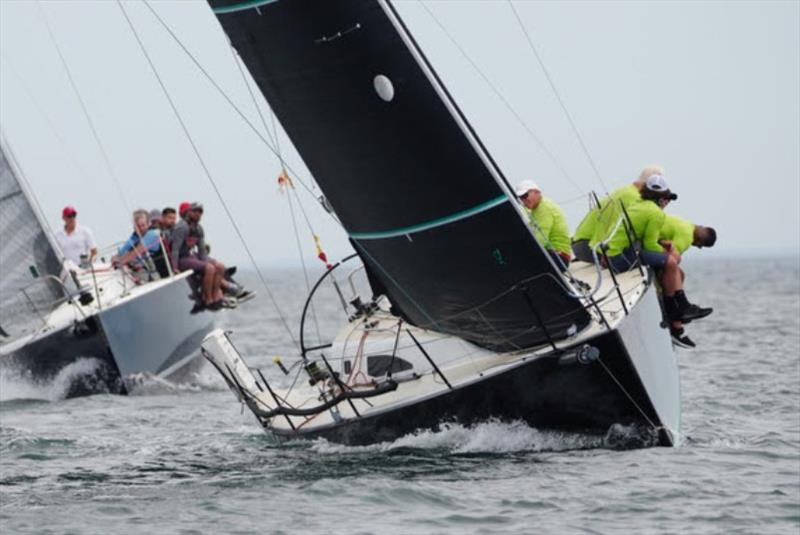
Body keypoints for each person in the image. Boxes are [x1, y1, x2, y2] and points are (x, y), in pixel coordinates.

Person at [604, 175, 713, 333]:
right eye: (666, 198)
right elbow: (649, 244)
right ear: (661, 198)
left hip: (608, 254)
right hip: (618, 259)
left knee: (672, 264)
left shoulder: (638, 204)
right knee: (671, 262)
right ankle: (676, 310)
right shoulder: (656, 214)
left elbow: (647, 240)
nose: (667, 202)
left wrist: (662, 246)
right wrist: (668, 252)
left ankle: (680, 308)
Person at [572, 165, 677, 263]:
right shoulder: (637, 200)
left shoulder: (626, 191)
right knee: (648, 253)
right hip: (591, 248)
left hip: (580, 245)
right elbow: (646, 240)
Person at [657, 214, 717, 347]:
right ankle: (677, 317)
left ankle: (681, 309)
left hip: (651, 240)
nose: (698, 247)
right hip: (646, 243)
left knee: (680, 274)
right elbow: (671, 261)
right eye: (700, 246)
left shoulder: (687, 225)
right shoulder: (686, 236)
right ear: (700, 243)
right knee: (676, 270)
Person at [170, 202, 232, 310]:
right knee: (209, 268)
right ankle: (207, 299)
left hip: (191, 257)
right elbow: (175, 250)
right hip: (182, 259)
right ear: (189, 212)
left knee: (219, 266)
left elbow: (202, 251)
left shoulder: (199, 229)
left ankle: (215, 295)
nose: (198, 214)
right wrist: (174, 268)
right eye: (195, 211)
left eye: (200, 212)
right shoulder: (182, 227)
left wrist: (206, 262)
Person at [515, 180, 571, 270]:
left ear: (537, 192)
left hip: (558, 257)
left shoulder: (544, 208)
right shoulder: (536, 209)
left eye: (525, 195)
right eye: (520, 198)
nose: (523, 200)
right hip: (555, 255)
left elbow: (541, 240)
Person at [113, 209, 164, 279]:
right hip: (135, 271)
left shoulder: (153, 234)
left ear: (148, 224)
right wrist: (115, 259)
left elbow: (137, 251)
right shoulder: (134, 237)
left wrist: (121, 262)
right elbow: (121, 252)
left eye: (143, 225)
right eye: (138, 226)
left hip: (153, 271)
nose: (141, 229)